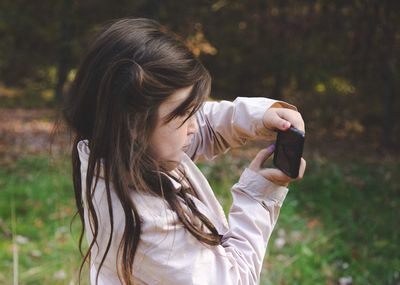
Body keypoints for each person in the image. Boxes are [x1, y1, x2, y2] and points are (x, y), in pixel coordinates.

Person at [62, 17, 306, 285]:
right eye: (185, 113)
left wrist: (260, 117)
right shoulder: (150, 227)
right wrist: (259, 194)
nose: (193, 125)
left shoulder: (115, 149)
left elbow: (202, 124)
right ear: (133, 122)